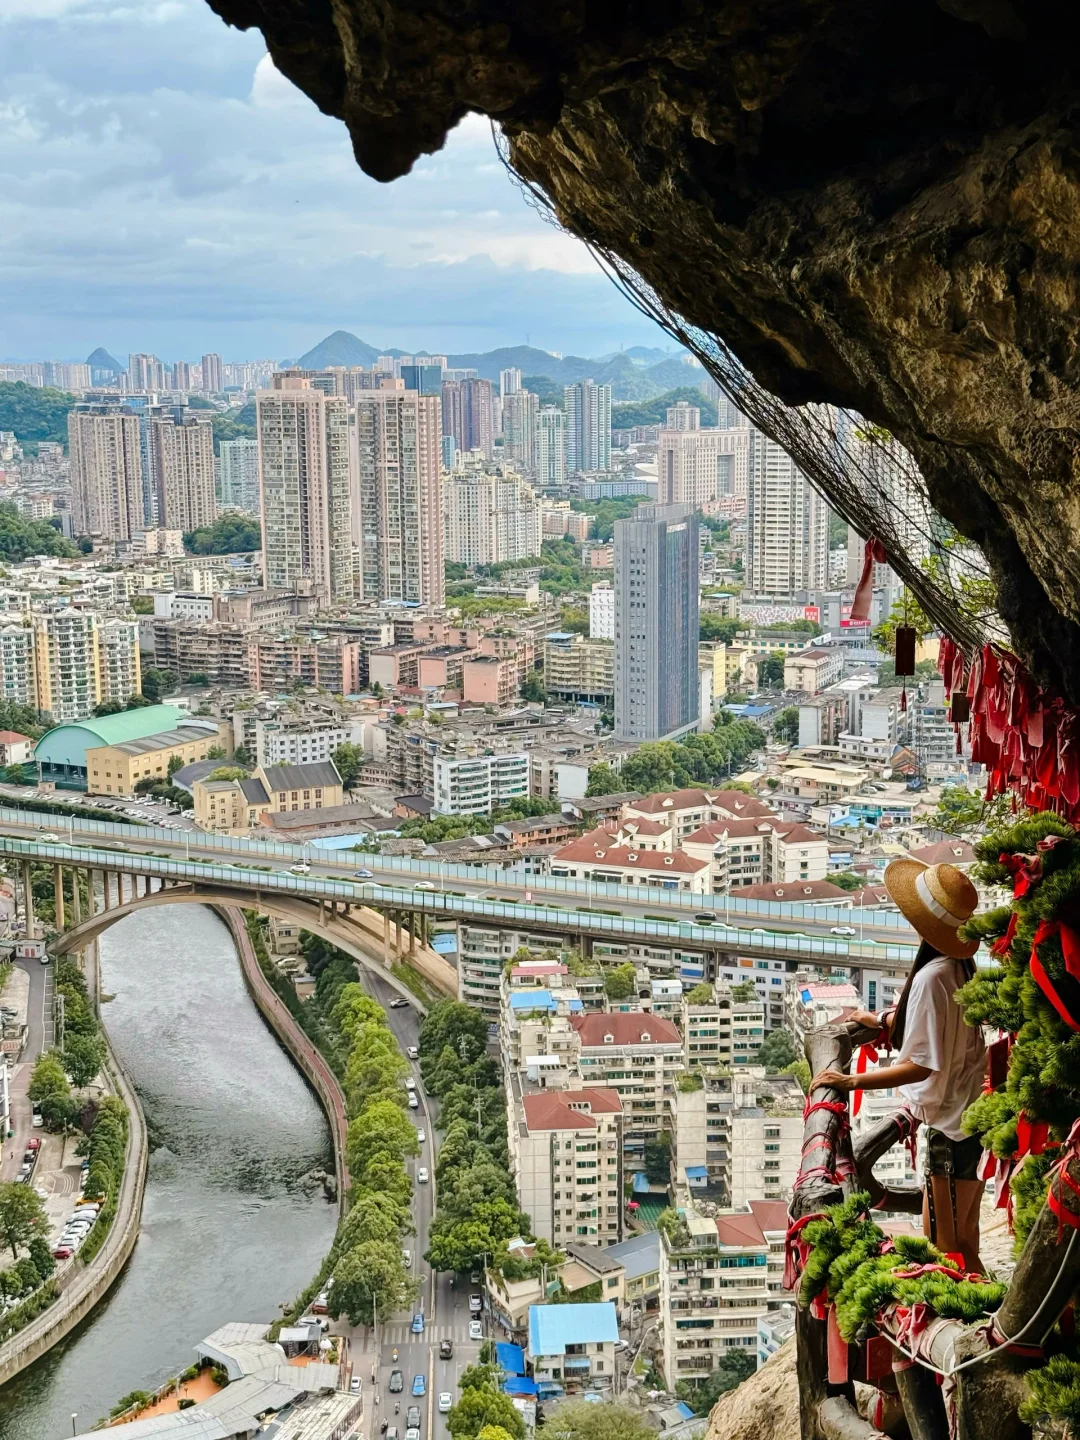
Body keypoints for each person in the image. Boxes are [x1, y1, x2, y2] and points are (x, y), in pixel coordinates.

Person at [812, 860, 987, 1269]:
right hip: (973, 1118)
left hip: (952, 1128)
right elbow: (943, 1036)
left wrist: (850, 1080)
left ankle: (981, 1327)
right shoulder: (960, 968)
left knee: (950, 1250)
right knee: (964, 1236)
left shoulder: (931, 978)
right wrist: (887, 1023)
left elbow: (923, 1064)